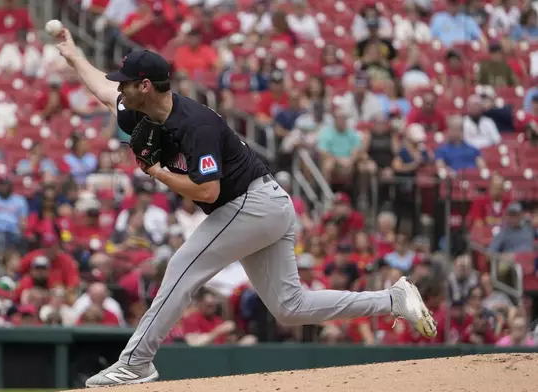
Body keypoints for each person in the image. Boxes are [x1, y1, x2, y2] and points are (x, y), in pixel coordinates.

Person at [55, 28, 437, 387]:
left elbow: (207, 193)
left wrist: (157, 172)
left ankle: (136, 362)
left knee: (182, 268)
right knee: (291, 306)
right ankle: (392, 299)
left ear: (145, 85)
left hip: (251, 203)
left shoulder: (195, 125)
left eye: (125, 80)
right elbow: (106, 93)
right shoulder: (139, 109)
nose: (118, 86)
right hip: (262, 206)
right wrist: (74, 57)